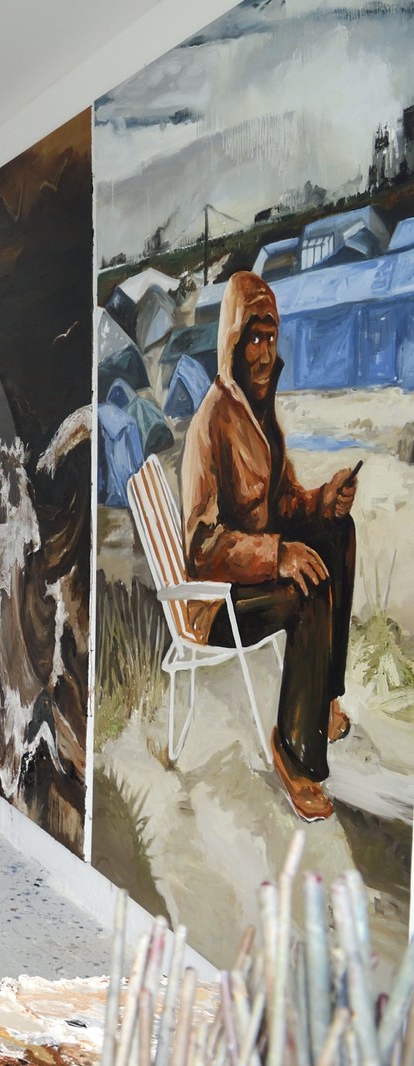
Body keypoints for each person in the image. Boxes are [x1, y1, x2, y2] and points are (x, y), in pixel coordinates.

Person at [180, 270, 357, 822]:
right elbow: (201, 546)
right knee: (305, 589)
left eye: (270, 338)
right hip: (214, 601)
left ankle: (324, 694)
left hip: (253, 578)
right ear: (231, 341)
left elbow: (283, 503)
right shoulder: (211, 422)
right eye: (252, 338)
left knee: (338, 535)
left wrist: (324, 500)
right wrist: (277, 556)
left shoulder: (261, 415)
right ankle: (297, 754)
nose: (262, 353)